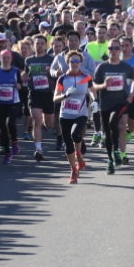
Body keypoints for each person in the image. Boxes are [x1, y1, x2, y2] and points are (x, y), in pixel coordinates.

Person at [92, 38, 134, 175]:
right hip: (105, 103)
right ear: (108, 50)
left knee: (114, 123)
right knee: (106, 134)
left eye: (116, 48)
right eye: (111, 48)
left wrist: (132, 94)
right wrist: (104, 86)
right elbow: (94, 86)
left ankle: (117, 150)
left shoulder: (125, 67)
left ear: (120, 50)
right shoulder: (102, 67)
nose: (113, 51)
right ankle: (110, 160)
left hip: (121, 102)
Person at [53, 51, 95, 183]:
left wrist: (95, 101)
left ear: (81, 63)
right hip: (65, 115)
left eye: (77, 61)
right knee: (68, 145)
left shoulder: (86, 77)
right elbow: (55, 98)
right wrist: (65, 95)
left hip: (81, 114)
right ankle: (73, 170)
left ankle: (79, 155)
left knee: (76, 134)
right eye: (72, 61)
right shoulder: (62, 79)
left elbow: (93, 91)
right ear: (68, 63)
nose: (75, 64)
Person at [0, 50, 23, 164]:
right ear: (0, 59)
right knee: (2, 129)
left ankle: (15, 141)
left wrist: (19, 85)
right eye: (3, 58)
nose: (5, 60)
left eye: (7, 58)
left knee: (10, 124)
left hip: (13, 103)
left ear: (11, 59)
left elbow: (21, 85)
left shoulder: (16, 71)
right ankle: (7, 153)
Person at [22, 35, 56, 161]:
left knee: (49, 123)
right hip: (34, 93)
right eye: (37, 43)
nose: (39, 45)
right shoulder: (29, 60)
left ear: (46, 45)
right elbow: (25, 73)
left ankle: (45, 122)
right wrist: (18, 77)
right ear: (34, 45)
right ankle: (38, 149)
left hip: (48, 93)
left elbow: (56, 75)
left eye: (42, 43)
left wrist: (51, 72)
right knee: (36, 120)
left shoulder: (51, 59)